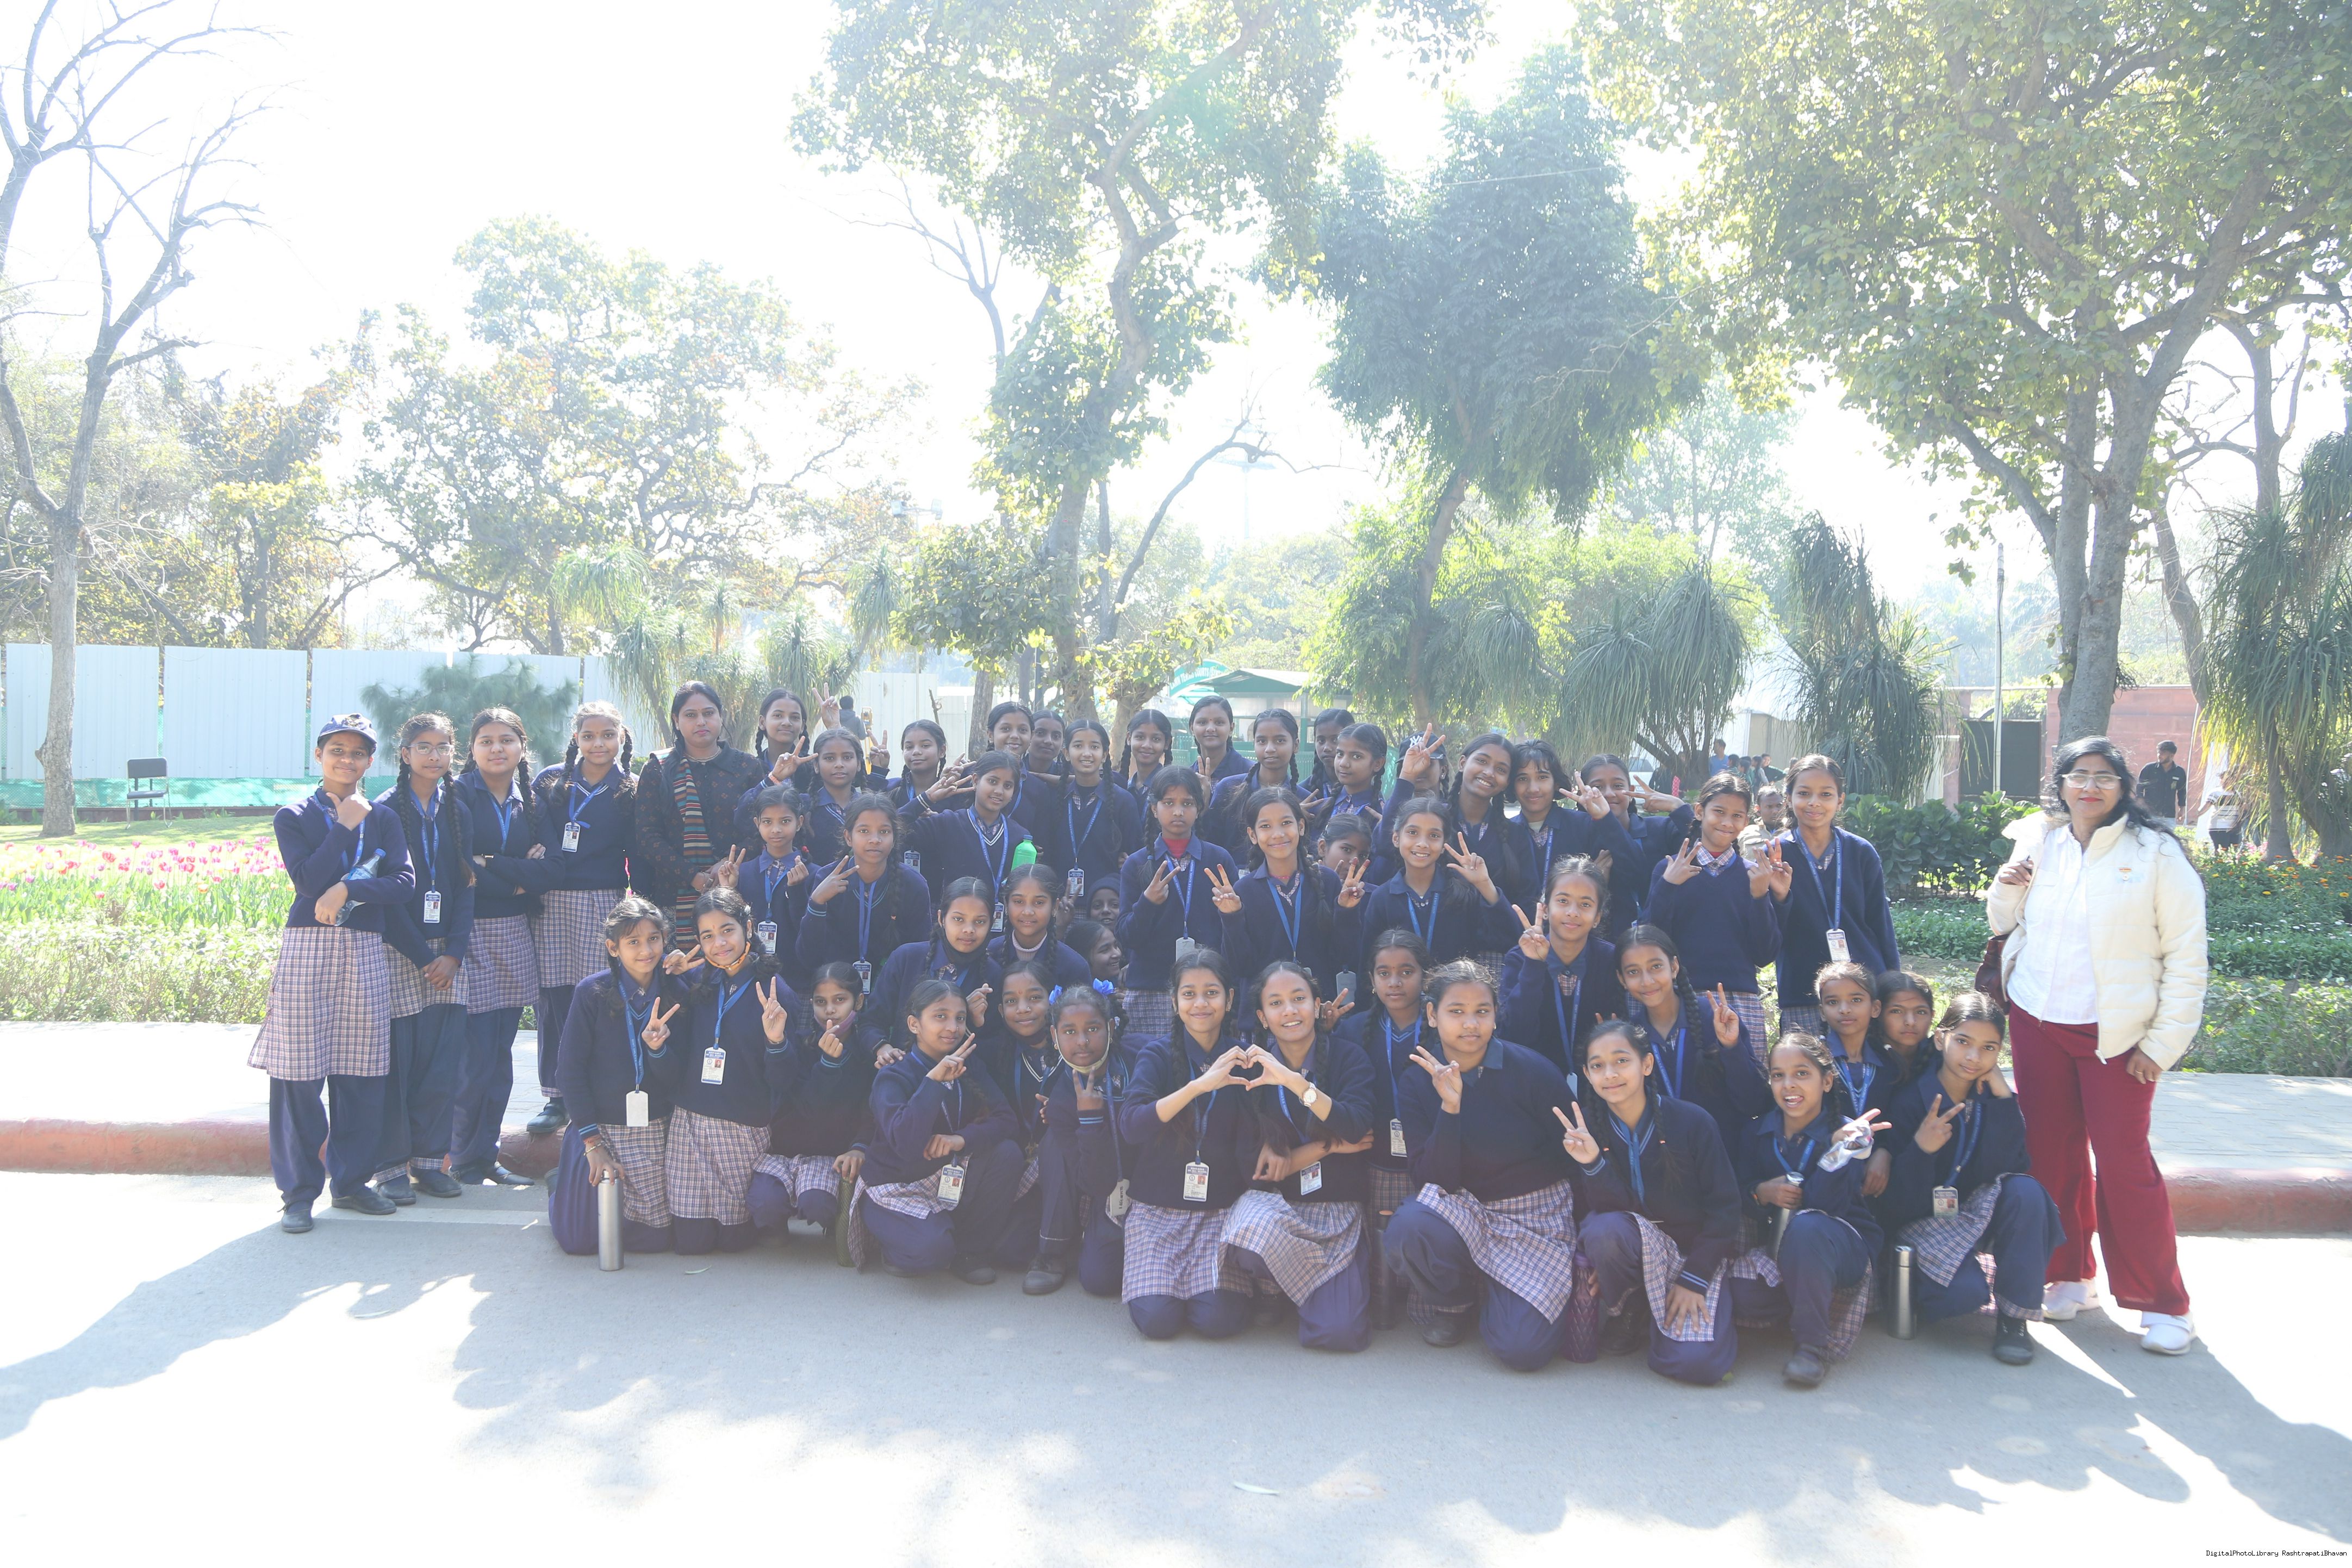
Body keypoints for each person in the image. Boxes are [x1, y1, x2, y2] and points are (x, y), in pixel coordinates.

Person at [1988, 736, 2206, 1355]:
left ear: (2123, 788)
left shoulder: (2156, 852)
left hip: (2117, 1036)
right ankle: (2069, 1276)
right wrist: (2006, 887)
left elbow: (2187, 955)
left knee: (2124, 1163)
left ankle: (2163, 1303)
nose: (2089, 787)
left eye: (2104, 777)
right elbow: (2004, 923)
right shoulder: (2042, 841)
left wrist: (2162, 1044)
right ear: (2059, 784)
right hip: (2039, 1020)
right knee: (2051, 1157)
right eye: (2078, 775)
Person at [250, 713, 415, 1233]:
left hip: (364, 948)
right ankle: (299, 1193)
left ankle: (351, 1182)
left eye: (358, 752)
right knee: (298, 1074)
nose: (347, 759)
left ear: (370, 761)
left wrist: (350, 889)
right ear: (319, 755)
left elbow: (404, 882)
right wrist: (344, 827)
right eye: (337, 750)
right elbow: (307, 881)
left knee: (361, 1071)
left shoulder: (384, 818)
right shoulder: (294, 815)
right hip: (308, 948)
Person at [1384, 961, 1581, 1370]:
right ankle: (1453, 1303)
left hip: (1533, 1215)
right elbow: (1431, 1180)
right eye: (1456, 1011)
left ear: (1495, 1016)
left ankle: (1501, 1293)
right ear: (1432, 1015)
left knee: (1523, 1351)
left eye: (1482, 1011)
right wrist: (1450, 1108)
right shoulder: (1417, 1080)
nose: (1470, 1024)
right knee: (1410, 1226)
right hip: (1462, 1208)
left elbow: (1574, 1159)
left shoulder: (1534, 1072)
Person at [1881, 992, 2065, 1366]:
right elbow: (1894, 1204)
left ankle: (2014, 1320)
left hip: (1971, 1212)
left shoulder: (1992, 1099)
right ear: (1940, 1039)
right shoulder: (1909, 1101)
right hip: (1922, 1221)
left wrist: (2003, 1099)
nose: (1973, 1057)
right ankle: (1908, 1288)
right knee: (1963, 1296)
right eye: (1963, 1042)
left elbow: (2014, 1166)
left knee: (2027, 1192)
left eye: (1988, 1048)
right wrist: (1921, 1150)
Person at [1572, 1019, 1746, 1386]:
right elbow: (1601, 1213)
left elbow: (1726, 1208)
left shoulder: (1692, 1122)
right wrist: (1593, 1164)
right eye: (1598, 1065)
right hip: (1635, 1248)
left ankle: (1671, 1318)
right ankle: (1631, 1306)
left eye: (1622, 1061)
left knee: (1697, 1365)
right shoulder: (1587, 1129)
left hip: (1693, 1256)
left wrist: (1695, 1278)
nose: (1610, 1074)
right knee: (1604, 1231)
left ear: (1647, 1064)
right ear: (1587, 1075)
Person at [1219, 961, 1379, 1351]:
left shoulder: (1349, 1057)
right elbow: (1254, 1170)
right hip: (1281, 1208)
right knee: (1247, 1232)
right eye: (1276, 1003)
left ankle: (1305, 1292)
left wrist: (1295, 1083)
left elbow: (1357, 1128)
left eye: (1298, 999)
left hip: (1336, 1208)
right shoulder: (1249, 1069)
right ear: (1262, 1017)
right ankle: (1273, 1286)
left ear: (1317, 1004)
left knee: (1338, 1334)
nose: (1289, 1011)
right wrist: (1327, 1147)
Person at [1112, 950, 1259, 1340]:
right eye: (1189, 994)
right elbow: (1131, 1126)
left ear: (1230, 999)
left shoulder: (1245, 1058)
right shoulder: (1157, 1054)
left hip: (1219, 1212)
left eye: (1211, 992)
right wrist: (1197, 1087)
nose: (1200, 1004)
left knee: (1218, 1322)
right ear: (1174, 1001)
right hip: (1157, 1211)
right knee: (1158, 1321)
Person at [1733, 1033, 1887, 1387]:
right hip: (1779, 1247)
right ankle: (1801, 1306)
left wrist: (1837, 1153)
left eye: (1802, 1073)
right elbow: (1738, 1189)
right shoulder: (1757, 1131)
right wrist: (1761, 1192)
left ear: (1827, 1081)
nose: (1789, 1085)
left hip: (1839, 1244)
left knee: (1808, 1228)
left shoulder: (1848, 1134)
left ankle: (1811, 1348)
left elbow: (1828, 1205)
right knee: (1742, 1296)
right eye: (1778, 1075)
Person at [450, 707, 560, 1187]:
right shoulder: (457, 796)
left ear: (522, 746)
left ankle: (485, 1156)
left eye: (506, 740)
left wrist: (492, 864)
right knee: (473, 1056)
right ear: (472, 749)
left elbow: (550, 871)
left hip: (514, 932)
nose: (497, 749)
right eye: (486, 741)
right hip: (469, 933)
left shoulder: (532, 802)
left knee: (500, 1053)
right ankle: (459, 1156)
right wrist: (516, 876)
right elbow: (458, 868)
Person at [654, 888, 797, 1255]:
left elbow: (784, 1082)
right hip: (690, 1123)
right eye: (707, 936)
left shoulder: (776, 994)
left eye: (727, 930)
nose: (719, 944)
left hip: (741, 1127)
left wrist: (776, 1041)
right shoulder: (698, 982)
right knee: (691, 1244)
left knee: (735, 1242)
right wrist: (670, 973)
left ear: (748, 927)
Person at [855, 980, 1023, 1283]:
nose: (953, 1027)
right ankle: (894, 1244)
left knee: (1007, 1154)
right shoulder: (893, 1074)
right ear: (914, 1024)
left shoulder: (968, 1064)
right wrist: (933, 1083)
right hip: (896, 1186)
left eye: (960, 1018)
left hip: (945, 1176)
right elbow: (906, 1144)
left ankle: (969, 1251)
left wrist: (961, 1139)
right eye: (940, 1016)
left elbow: (1006, 1119)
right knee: (931, 1252)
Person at [372, 713, 474, 1203]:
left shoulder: (458, 808)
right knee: (398, 1063)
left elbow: (467, 886)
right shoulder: (385, 810)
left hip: (448, 958)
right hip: (400, 950)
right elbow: (383, 896)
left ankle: (431, 1164)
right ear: (405, 753)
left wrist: (453, 952)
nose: (434, 756)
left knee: (442, 1064)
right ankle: (391, 1167)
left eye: (443, 747)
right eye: (424, 747)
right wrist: (421, 956)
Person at [527, 700, 638, 1136]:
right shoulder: (550, 781)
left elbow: (638, 850)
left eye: (608, 735)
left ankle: (593, 1091)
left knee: (599, 995)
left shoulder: (630, 788)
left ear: (621, 737)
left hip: (604, 900)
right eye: (589, 736)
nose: (599, 744)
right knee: (553, 998)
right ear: (576, 739)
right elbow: (530, 830)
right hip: (552, 900)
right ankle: (556, 1096)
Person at [549, 896, 680, 1255]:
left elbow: (676, 1077)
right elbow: (569, 1071)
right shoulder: (591, 993)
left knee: (654, 1240)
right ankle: (561, 1186)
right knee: (578, 1241)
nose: (646, 951)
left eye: (654, 939)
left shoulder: (676, 991)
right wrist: (592, 1143)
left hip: (654, 1127)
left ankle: (571, 1188)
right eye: (633, 942)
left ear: (665, 940)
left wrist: (658, 1052)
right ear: (613, 947)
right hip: (600, 1127)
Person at [1333, 929, 1432, 1327]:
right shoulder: (1353, 1029)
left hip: (1429, 1159)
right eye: (1384, 973)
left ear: (1425, 975)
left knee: (1421, 1230)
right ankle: (1381, 1293)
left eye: (1407, 972)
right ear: (1371, 979)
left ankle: (1428, 1296)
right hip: (1373, 1158)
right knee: (1378, 1233)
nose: (1395, 982)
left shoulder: (1442, 1027)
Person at [1646, 773, 1786, 1052]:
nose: (1727, 822)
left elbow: (1765, 954)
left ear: (1746, 821)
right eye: (1719, 812)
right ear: (1700, 811)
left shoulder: (1754, 875)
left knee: (1747, 1077)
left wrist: (1760, 897)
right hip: (1681, 996)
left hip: (1741, 1000)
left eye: (1737, 816)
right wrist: (1668, 886)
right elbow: (1651, 940)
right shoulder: (1670, 870)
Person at [1770, 756, 1902, 1041]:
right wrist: (1780, 897)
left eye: (1826, 794)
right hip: (1803, 991)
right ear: (1789, 798)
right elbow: (1767, 932)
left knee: (1866, 1064)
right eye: (1804, 793)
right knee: (1808, 1067)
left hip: (1862, 991)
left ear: (1840, 800)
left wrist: (1894, 986)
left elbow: (1880, 924)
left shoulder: (1861, 852)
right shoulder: (1776, 854)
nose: (1814, 803)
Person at [747, 960, 880, 1242]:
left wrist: (859, 1147)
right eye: (821, 1002)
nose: (830, 1010)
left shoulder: (867, 1053)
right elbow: (801, 1101)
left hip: (831, 1155)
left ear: (859, 1002)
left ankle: (834, 1219)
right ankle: (775, 1226)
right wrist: (780, 1043)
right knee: (765, 1203)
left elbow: (872, 1112)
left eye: (840, 1000)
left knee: (818, 1204)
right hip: (784, 1150)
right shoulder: (802, 1042)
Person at [1612, 924, 1767, 1154]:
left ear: (1674, 967)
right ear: (1622, 979)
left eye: (1656, 967)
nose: (1647, 981)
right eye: (1633, 972)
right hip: (1666, 1162)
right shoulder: (1630, 1037)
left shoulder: (1715, 1019)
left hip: (1726, 1156)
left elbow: (1753, 1102)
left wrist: (1731, 1047)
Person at [1116, 766, 1242, 1040]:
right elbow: (1126, 937)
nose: (1178, 812)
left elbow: (1234, 939)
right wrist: (1148, 903)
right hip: (1151, 989)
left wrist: (1232, 913)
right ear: (1154, 809)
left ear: (1199, 809)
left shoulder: (1219, 860)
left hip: (1205, 989)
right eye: (1169, 803)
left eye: (1187, 804)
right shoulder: (1137, 864)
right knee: (1151, 1062)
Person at [1027, 980, 1133, 1296]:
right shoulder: (1061, 1098)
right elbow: (1095, 1183)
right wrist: (1089, 1119)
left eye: (1093, 1029)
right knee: (1100, 1280)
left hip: (1155, 1186)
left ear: (1111, 1028)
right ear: (1055, 1036)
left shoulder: (1142, 1057)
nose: (1083, 1042)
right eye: (1070, 1032)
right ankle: (1064, 1244)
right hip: (1110, 1192)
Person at [636, 682, 765, 937]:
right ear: (676, 721)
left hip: (736, 890)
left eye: (708, 713)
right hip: (673, 897)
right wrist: (694, 877)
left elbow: (761, 830)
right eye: (691, 715)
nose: (701, 722)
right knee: (679, 962)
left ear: (720, 716)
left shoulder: (747, 767)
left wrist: (727, 864)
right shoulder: (658, 769)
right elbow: (647, 836)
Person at [1211, 785, 1365, 997]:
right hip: (1265, 1008)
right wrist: (1231, 917)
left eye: (1286, 823)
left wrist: (1346, 911)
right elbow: (1239, 967)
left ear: (1301, 826)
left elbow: (1344, 957)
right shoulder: (1243, 891)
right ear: (1253, 835)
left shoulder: (1328, 881)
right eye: (1266, 826)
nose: (1278, 834)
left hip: (1317, 1005)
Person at [1352, 796, 1518, 979]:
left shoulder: (1463, 893)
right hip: (1399, 994)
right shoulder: (1382, 898)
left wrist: (1485, 885)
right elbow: (1368, 964)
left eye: (1434, 836)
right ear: (1396, 838)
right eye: (1413, 832)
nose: (1422, 844)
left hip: (1456, 994)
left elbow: (1510, 939)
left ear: (1444, 845)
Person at [1496, 856, 1624, 1079]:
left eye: (1585, 905)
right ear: (1545, 909)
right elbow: (1515, 1034)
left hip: (1599, 1081)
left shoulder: (1610, 960)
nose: (1573, 912)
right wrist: (1534, 964)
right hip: (1533, 1080)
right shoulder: (1520, 958)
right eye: (1563, 901)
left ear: (1597, 917)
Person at [795, 793, 934, 987]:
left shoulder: (914, 885)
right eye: (864, 831)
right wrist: (817, 902)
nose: (875, 840)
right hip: (836, 991)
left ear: (895, 838)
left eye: (884, 832)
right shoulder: (825, 878)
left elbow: (921, 958)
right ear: (848, 837)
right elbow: (808, 958)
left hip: (892, 991)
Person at [870, 878, 1005, 1050]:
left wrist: (972, 1022)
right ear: (941, 918)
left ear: (991, 923)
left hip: (961, 1068)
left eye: (979, 922)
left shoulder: (993, 976)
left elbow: (995, 1047)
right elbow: (871, 1022)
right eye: (958, 919)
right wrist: (882, 1048)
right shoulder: (906, 959)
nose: (969, 930)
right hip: (904, 1065)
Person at [1502, 740, 1635, 913]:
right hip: (1520, 928)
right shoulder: (1504, 833)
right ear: (1512, 785)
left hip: (1578, 926)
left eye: (1542, 777)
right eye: (1523, 779)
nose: (1533, 788)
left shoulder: (1586, 825)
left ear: (1556, 783)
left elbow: (1634, 871)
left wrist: (1595, 881)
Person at [1578, 753, 1692, 940]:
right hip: (1604, 946)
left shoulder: (1660, 829)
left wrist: (1678, 806)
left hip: (1659, 942)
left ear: (1631, 791)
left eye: (1618, 786)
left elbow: (1706, 852)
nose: (1609, 793)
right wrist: (1593, 883)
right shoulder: (1580, 836)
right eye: (1598, 787)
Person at [1022, 718, 1141, 898]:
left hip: (1106, 905)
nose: (1087, 753)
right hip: (1060, 902)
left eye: (1094, 747)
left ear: (1105, 754)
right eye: (1078, 746)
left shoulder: (1124, 801)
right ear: (1066, 753)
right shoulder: (1054, 799)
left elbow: (1134, 857)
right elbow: (1046, 856)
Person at [899, 749, 1034, 896]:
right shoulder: (948, 823)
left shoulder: (1021, 837)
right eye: (993, 781)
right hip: (955, 910)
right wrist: (928, 798)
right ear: (975, 781)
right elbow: (893, 828)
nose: (999, 791)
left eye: (1007, 786)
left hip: (1001, 911)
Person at [729, 785, 813, 988]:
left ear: (800, 823)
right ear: (757, 823)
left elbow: (811, 934)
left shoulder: (814, 874)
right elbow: (733, 928)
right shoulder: (743, 873)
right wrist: (728, 891)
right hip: (751, 977)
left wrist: (798, 892)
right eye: (768, 822)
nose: (776, 830)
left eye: (785, 821)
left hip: (798, 979)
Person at [1204, 709, 1303, 856]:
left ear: (1296, 745)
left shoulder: (1304, 800)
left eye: (1280, 741)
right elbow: (1210, 843)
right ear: (1254, 744)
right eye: (1262, 741)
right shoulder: (1228, 788)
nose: (1270, 749)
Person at [987, 862, 1092, 990]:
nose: (1028, 912)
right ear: (1006, 904)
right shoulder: (989, 955)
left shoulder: (1074, 967)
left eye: (1039, 903)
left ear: (1055, 907)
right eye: (1019, 902)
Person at [1187, 694, 1249, 786]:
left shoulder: (1250, 774)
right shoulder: (1187, 778)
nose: (1210, 729)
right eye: (1202, 722)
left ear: (1231, 728)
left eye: (1219, 723)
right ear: (1192, 728)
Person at [2192, 767, 2244, 851]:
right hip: (2219, 827)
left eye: (2228, 779)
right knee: (2222, 851)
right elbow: (2207, 805)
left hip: (2234, 828)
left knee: (2234, 852)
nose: (2226, 781)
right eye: (2223, 779)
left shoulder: (2237, 794)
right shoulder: (2216, 793)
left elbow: (2241, 809)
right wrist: (2196, 815)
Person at [2136, 739, 2189, 821]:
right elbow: (2140, 786)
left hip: (2169, 815)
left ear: (2172, 756)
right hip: (2150, 815)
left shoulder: (2180, 772)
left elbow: (2182, 792)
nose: (2159, 756)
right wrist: (2140, 802)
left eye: (2163, 753)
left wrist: (2182, 809)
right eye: (2158, 753)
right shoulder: (2149, 769)